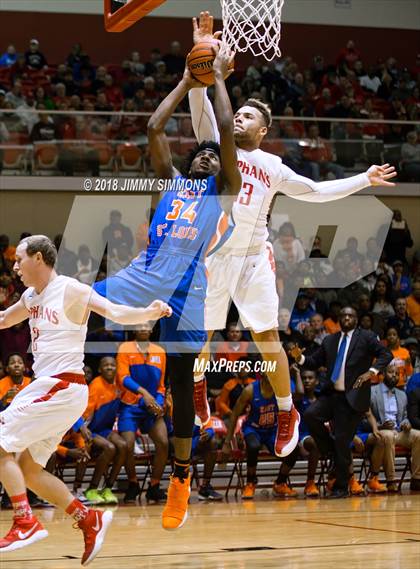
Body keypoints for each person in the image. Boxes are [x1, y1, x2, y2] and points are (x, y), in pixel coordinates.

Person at [190, 11, 396, 462]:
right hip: (213, 255)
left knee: (268, 341)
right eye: (237, 112)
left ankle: (287, 411)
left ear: (262, 132)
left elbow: (318, 192)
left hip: (251, 256)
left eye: (247, 117)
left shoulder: (270, 165)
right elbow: (201, 103)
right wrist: (204, 53)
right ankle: (199, 386)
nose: (238, 118)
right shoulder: (214, 139)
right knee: (201, 340)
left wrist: (363, 177)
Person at [93, 46, 241, 530]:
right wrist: (185, 80)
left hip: (187, 287)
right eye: (197, 152)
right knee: (75, 301)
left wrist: (216, 78)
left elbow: (223, 136)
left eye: (210, 154)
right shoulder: (172, 181)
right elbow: (155, 128)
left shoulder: (223, 191)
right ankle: (60, 392)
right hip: (143, 272)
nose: (203, 156)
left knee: (180, 376)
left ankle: (180, 476)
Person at [0, 235, 170, 561]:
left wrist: (148, 311)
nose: (15, 265)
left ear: (38, 257)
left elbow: (114, 312)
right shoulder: (32, 296)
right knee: (30, 470)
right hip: (56, 391)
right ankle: (88, 519)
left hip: (62, 384)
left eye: (20, 259)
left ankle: (24, 521)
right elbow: (6, 319)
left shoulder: (70, 289)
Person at [291, 306, 393, 498]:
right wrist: (300, 357)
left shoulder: (367, 337)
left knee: (342, 441)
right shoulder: (330, 340)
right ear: (339, 319)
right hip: (333, 396)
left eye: (350, 315)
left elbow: (386, 355)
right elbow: (313, 362)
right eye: (343, 315)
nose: (346, 318)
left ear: (356, 319)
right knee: (311, 415)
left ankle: (341, 487)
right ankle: (330, 450)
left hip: (353, 399)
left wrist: (371, 372)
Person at [221, 373, 299, 499]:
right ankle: (250, 482)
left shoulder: (281, 388)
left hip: (273, 430)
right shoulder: (250, 390)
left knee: (293, 449)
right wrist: (227, 442)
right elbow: (235, 414)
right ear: (262, 374)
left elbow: (299, 395)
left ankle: (280, 483)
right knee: (253, 446)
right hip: (253, 428)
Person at [116, 324, 168, 504]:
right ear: (133, 328)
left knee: (163, 442)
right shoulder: (125, 348)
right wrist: (144, 394)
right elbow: (123, 378)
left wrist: (159, 403)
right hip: (130, 405)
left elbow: (161, 385)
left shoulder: (160, 351)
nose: (144, 327)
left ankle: (154, 486)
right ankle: (133, 484)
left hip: (151, 405)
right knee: (128, 444)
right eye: (140, 324)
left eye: (147, 325)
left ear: (152, 329)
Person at [81, 357, 126, 505]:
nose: (109, 367)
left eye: (112, 365)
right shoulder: (95, 385)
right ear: (100, 369)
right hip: (91, 430)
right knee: (110, 447)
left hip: (105, 429)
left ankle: (107, 488)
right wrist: (83, 432)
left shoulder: (119, 384)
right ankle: (92, 489)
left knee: (123, 445)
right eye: (105, 365)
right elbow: (86, 415)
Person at [370, 364, 420, 492]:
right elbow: (364, 418)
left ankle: (416, 479)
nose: (394, 375)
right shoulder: (372, 392)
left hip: (399, 431)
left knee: (418, 436)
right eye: (391, 372)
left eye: (397, 373)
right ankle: (391, 480)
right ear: (382, 374)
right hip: (380, 431)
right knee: (388, 436)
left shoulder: (402, 394)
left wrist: (406, 422)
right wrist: (380, 426)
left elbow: (404, 416)